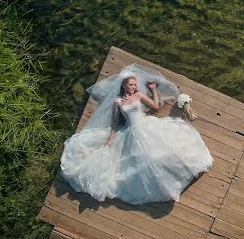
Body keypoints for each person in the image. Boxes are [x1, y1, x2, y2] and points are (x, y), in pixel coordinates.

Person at [59, 64, 213, 204]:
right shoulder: (118, 102)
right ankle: (162, 186)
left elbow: (155, 106)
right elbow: (114, 122)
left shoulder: (138, 96)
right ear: (124, 86)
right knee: (144, 160)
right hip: (131, 132)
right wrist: (110, 138)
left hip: (146, 125)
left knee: (168, 147)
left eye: (134, 85)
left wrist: (152, 89)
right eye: (130, 85)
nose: (133, 87)